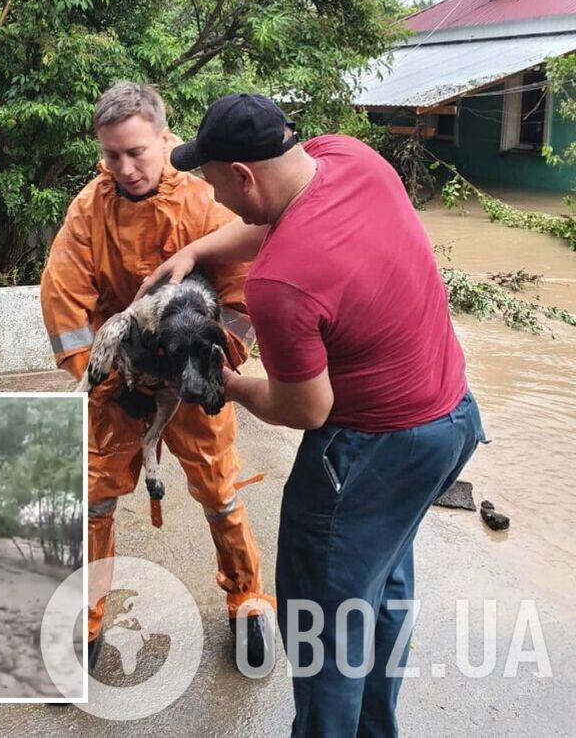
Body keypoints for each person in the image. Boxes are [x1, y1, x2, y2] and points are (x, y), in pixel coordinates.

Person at [143, 94, 481, 738]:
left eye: (217, 185)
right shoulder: (347, 157)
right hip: (451, 421)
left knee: (323, 620)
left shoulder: (281, 284)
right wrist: (199, 252)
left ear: (243, 174)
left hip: (370, 453)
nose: (220, 201)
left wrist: (227, 384)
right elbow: (275, 218)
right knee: (379, 589)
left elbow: (305, 407)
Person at [39, 81, 274, 677]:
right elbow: (65, 300)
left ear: (165, 139)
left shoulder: (204, 200)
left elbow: (243, 291)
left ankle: (246, 600)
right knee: (94, 500)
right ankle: (89, 616)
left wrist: (220, 362)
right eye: (113, 154)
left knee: (221, 494)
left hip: (195, 377)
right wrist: (101, 375)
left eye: (137, 152)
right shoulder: (90, 209)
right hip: (119, 381)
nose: (126, 166)